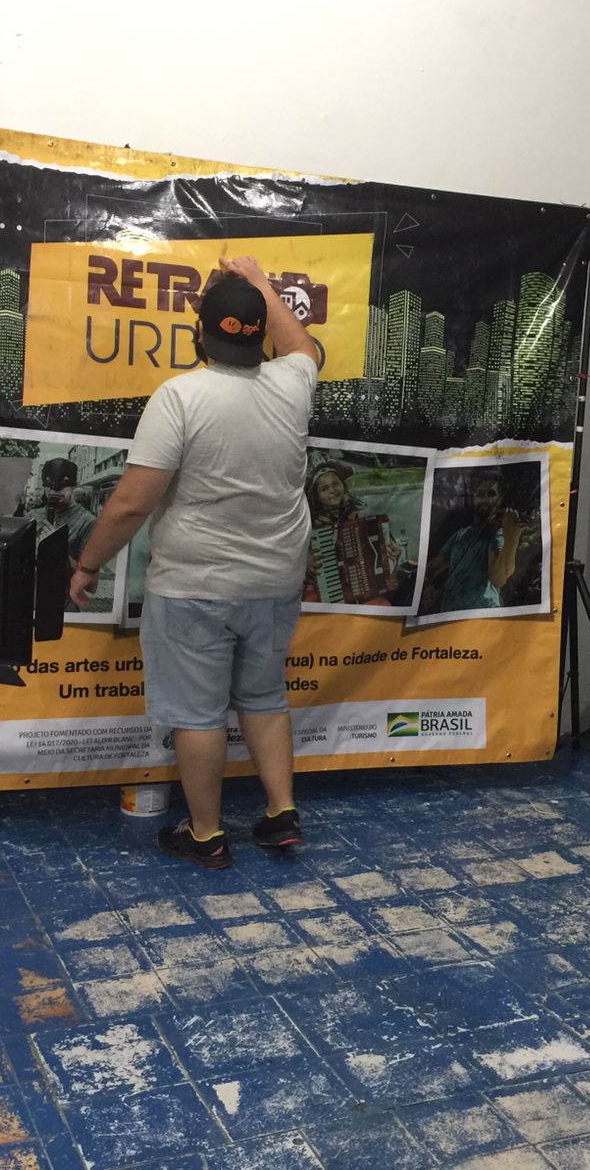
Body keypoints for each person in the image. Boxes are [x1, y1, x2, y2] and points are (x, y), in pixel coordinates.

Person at [70, 254, 318, 868]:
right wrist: (258, 281)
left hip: (195, 587)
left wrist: (88, 564)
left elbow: (131, 504)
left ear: (198, 334)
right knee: (264, 698)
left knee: (199, 715)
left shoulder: (180, 396)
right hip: (275, 581)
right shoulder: (293, 382)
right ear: (260, 336)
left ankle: (206, 834)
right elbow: (301, 343)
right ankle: (281, 814)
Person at [302, 457, 404, 606]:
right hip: (321, 590)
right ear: (316, 497)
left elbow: (384, 561)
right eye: (324, 489)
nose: (332, 490)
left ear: (343, 486)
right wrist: (305, 560)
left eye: (335, 484)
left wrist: (394, 556)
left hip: (362, 591)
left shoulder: (361, 518)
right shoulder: (307, 524)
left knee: (382, 606)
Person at [421, 468, 523, 614]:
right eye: (481, 494)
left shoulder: (498, 534)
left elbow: (498, 579)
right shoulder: (460, 535)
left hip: (483, 614)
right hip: (450, 614)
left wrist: (512, 538)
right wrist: (428, 585)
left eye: (491, 494)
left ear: (499, 499)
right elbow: (433, 566)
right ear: (474, 497)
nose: (486, 499)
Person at [24, 457, 98, 610]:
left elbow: (91, 584)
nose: (53, 492)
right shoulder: (33, 515)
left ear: (74, 486)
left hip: (63, 605)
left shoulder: (88, 522)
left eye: (60, 488)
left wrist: (58, 549)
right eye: (49, 487)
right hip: (31, 601)